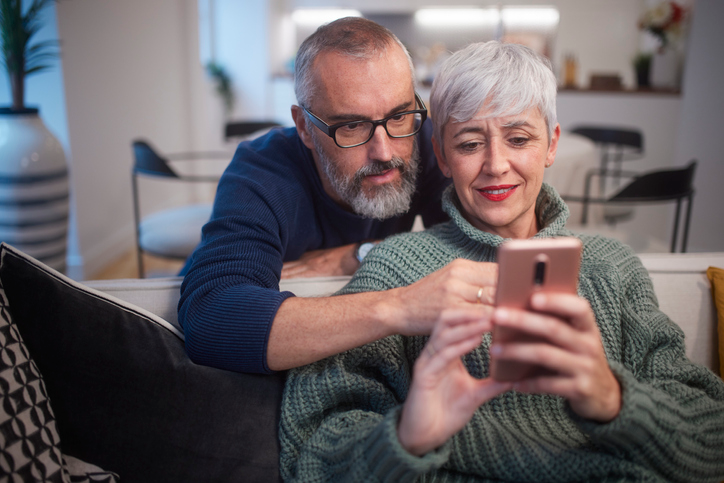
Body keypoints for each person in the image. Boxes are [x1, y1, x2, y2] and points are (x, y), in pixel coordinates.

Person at [279, 41, 724, 482]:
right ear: (442, 156)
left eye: (519, 138)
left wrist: (613, 400)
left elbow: (711, 440)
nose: (496, 164)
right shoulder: (398, 270)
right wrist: (408, 435)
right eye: (470, 143)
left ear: (551, 145)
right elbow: (315, 456)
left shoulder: (613, 267)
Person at [178, 17, 499, 375]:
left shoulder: (421, 142)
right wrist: (399, 308)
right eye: (351, 126)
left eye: (398, 116)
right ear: (304, 126)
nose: (384, 151)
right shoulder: (262, 171)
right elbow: (211, 317)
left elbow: (480, 246)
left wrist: (364, 255)